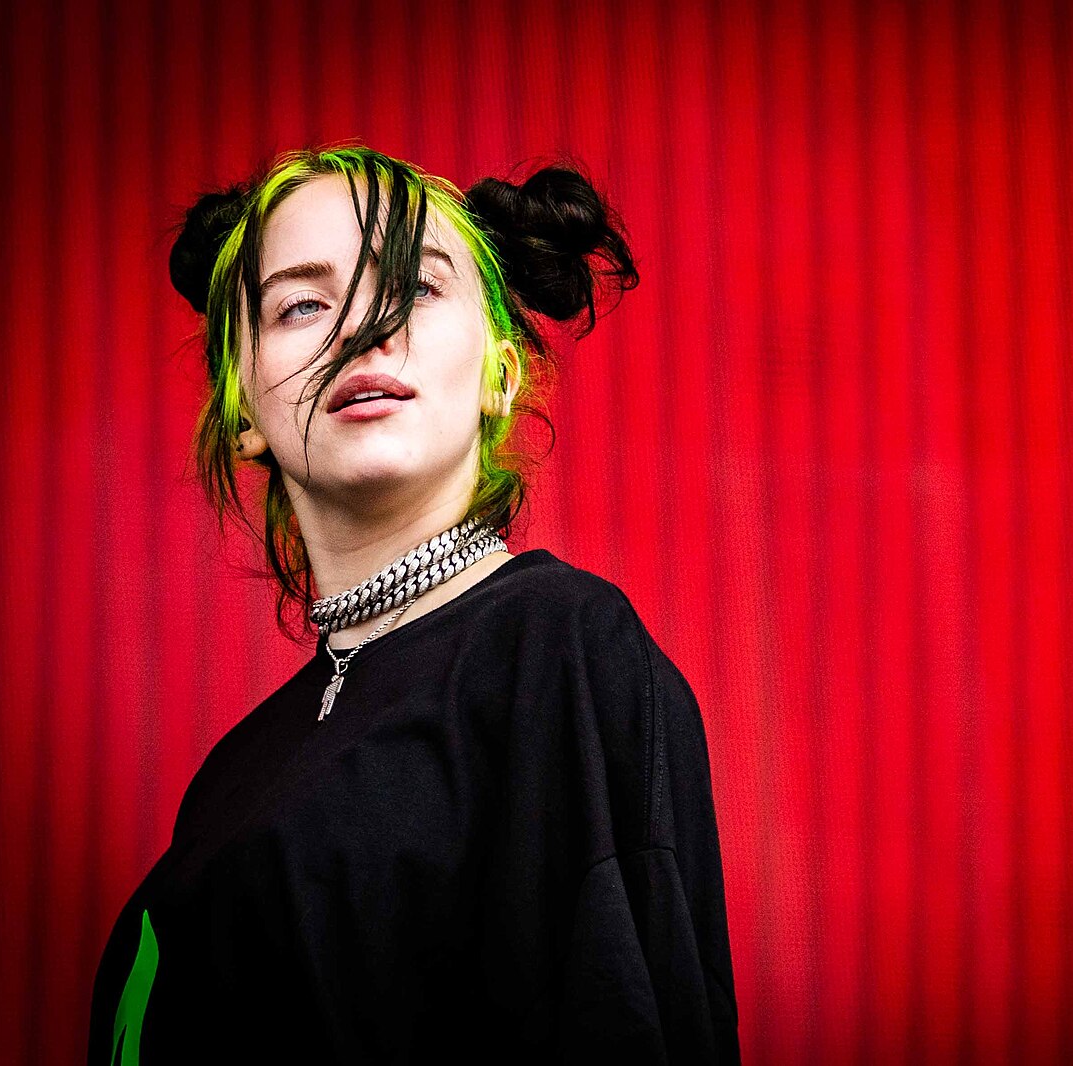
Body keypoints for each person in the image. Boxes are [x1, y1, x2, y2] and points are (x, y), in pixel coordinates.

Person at [86, 143, 739, 1064]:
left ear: (499, 378)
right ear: (242, 412)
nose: (364, 327)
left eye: (418, 287)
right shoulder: (236, 767)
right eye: (302, 305)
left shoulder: (557, 648)